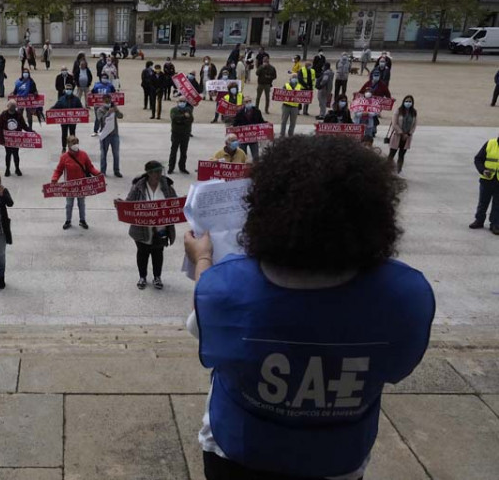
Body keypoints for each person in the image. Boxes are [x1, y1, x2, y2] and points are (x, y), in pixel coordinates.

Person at [184, 134, 434, 480]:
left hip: (240, 447)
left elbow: (201, 329)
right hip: (337, 456)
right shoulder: (407, 295)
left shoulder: (225, 287)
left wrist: (204, 260)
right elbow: (397, 369)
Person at [124, 161, 177, 290]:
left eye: (160, 171)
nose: (159, 174)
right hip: (141, 229)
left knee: (158, 254)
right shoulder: (138, 186)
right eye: (156, 172)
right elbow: (129, 202)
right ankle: (142, 277)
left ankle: (157, 277)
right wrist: (120, 204)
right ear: (149, 173)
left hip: (161, 229)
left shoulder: (167, 186)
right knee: (142, 253)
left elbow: (174, 202)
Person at [51, 135, 100, 230]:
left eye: (77, 143)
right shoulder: (64, 157)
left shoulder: (84, 155)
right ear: (68, 145)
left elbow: (90, 168)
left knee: (81, 204)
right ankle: (68, 220)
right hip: (69, 186)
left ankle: (82, 220)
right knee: (69, 204)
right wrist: (54, 179)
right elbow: (59, 170)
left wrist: (98, 174)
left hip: (81, 185)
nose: (76, 145)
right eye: (73, 143)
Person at [472, 132, 499, 232]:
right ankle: (479, 220)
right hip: (487, 180)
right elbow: (478, 159)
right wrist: (483, 170)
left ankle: (495, 224)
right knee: (483, 202)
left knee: (497, 204)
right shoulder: (490, 143)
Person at [0, 100, 31, 177]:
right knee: (8, 154)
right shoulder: (3, 115)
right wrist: (1, 139)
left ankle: (17, 168)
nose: (12, 108)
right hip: (7, 139)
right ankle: (7, 169)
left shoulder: (18, 114)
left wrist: (30, 131)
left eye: (13, 106)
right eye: (11, 106)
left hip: (16, 139)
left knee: (16, 154)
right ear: (8, 107)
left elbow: (23, 125)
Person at [389, 95, 417, 174]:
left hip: (407, 137)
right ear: (403, 101)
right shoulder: (398, 111)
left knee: (401, 155)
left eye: (410, 101)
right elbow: (394, 124)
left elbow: (414, 125)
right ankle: (387, 169)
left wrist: (408, 134)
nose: (408, 103)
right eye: (406, 101)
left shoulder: (414, 112)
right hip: (397, 135)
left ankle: (399, 170)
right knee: (392, 154)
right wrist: (401, 133)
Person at [96, 94, 123, 177]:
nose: (108, 101)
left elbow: (121, 116)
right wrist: (108, 112)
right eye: (106, 100)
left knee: (116, 154)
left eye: (109, 100)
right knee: (103, 154)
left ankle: (116, 170)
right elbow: (101, 119)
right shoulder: (100, 109)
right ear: (103, 100)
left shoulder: (114, 108)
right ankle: (103, 171)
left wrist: (116, 110)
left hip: (114, 134)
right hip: (105, 135)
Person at [51, 83, 83, 152]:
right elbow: (56, 107)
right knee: (64, 134)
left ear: (72, 90)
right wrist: (50, 111)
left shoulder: (76, 99)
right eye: (67, 89)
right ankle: (64, 147)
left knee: (72, 134)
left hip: (73, 121)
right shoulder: (61, 99)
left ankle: (73, 147)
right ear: (65, 90)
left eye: (70, 89)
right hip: (64, 121)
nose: (68, 90)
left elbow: (80, 108)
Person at [169, 97, 194, 174]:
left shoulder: (188, 110)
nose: (182, 103)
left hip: (185, 134)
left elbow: (190, 120)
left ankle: (182, 167)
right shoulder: (174, 110)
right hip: (176, 133)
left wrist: (181, 121)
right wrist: (184, 117)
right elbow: (174, 118)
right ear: (177, 102)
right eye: (181, 101)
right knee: (173, 151)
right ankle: (171, 167)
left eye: (184, 101)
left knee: (184, 152)